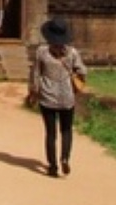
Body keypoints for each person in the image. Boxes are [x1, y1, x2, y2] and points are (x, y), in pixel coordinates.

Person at [28, 17, 88, 178]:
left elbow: (35, 75)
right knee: (66, 130)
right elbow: (82, 71)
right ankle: (65, 157)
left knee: (50, 133)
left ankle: (53, 166)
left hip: (47, 97)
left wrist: (33, 93)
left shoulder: (42, 52)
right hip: (67, 97)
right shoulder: (72, 52)